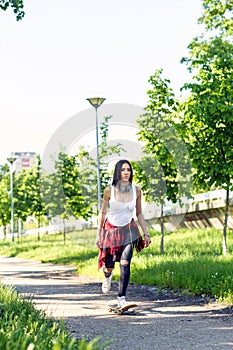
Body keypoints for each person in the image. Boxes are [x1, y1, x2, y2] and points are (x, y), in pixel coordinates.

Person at [96, 159, 151, 307]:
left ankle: (121, 298)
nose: (126, 172)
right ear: (117, 172)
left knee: (125, 262)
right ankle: (107, 276)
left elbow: (139, 214)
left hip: (129, 230)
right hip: (111, 230)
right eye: (123, 170)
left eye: (129, 170)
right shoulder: (109, 191)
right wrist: (99, 233)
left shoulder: (136, 190)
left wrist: (146, 233)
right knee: (109, 265)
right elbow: (103, 213)